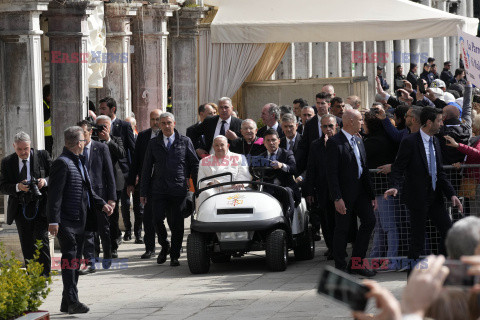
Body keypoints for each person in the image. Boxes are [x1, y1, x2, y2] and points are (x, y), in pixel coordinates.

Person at [47, 126, 113, 314]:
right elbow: (54, 195)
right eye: (84, 141)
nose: (85, 144)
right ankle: (73, 301)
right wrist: (53, 221)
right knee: (70, 261)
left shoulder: (78, 162)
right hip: (67, 222)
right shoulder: (62, 163)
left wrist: (102, 204)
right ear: (78, 143)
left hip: (81, 221)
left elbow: (87, 190)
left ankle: (66, 302)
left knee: (74, 261)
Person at [385, 107, 463, 264]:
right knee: (417, 240)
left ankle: (442, 267)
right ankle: (412, 277)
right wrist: (395, 186)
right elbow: (399, 167)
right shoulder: (409, 141)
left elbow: (439, 172)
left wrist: (452, 194)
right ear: (429, 123)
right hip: (417, 198)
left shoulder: (435, 140)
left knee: (448, 231)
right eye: (439, 121)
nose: (442, 124)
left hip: (435, 197)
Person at [140, 112, 199, 267]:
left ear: (174, 124)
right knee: (157, 219)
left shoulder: (184, 141)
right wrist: (143, 192)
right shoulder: (154, 143)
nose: (166, 126)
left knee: (177, 223)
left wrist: (196, 187)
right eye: (163, 123)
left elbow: (194, 164)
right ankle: (164, 245)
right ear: (159, 125)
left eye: (169, 123)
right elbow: (146, 168)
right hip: (158, 189)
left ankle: (174, 255)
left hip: (178, 189)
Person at [326, 109, 377, 276]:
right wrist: (337, 197)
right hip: (344, 194)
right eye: (360, 120)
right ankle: (340, 266)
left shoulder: (360, 141)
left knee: (369, 221)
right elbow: (331, 173)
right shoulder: (335, 142)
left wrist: (371, 195)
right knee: (342, 229)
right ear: (349, 122)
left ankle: (357, 263)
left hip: (361, 192)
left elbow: (364, 169)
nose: (362, 123)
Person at [0, 132, 51, 277]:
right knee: (27, 243)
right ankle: (32, 276)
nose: (23, 153)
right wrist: (17, 187)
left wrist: (44, 181)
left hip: (40, 205)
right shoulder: (7, 162)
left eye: (26, 149)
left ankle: (45, 276)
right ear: (14, 147)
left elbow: (56, 175)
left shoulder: (42, 156)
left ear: (30, 146)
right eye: (19, 149)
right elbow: (2, 186)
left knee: (41, 241)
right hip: (20, 207)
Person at [76, 120, 116, 274]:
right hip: (82, 196)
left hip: (100, 194)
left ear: (90, 132)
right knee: (87, 230)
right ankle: (90, 261)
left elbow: (109, 174)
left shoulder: (101, 148)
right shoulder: (75, 149)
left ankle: (107, 255)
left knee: (104, 229)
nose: (81, 137)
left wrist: (111, 197)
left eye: (83, 133)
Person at [362, 112, 398, 266]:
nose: (362, 125)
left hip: (382, 190)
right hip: (378, 190)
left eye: (364, 123)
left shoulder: (374, 142)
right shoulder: (377, 140)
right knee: (380, 226)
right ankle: (378, 257)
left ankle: (391, 260)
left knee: (387, 226)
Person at [98, 97, 136, 243]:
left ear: (112, 109)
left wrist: (133, 174)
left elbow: (130, 151)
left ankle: (126, 232)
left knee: (123, 204)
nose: (100, 111)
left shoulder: (124, 126)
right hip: (101, 175)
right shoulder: (96, 127)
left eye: (103, 109)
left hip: (120, 172)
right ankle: (114, 236)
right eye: (100, 109)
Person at [127, 109, 162, 259]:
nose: (155, 122)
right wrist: (131, 181)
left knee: (165, 218)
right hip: (147, 182)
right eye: (153, 119)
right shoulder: (143, 136)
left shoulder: (168, 135)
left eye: (158, 119)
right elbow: (135, 161)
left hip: (164, 183)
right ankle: (150, 248)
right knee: (147, 216)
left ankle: (171, 246)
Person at [304, 114, 338, 256]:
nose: (328, 129)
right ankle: (332, 248)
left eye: (330, 126)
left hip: (340, 189)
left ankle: (340, 248)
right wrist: (309, 191)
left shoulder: (341, 142)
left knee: (340, 221)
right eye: (324, 126)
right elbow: (311, 168)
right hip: (323, 188)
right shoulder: (316, 145)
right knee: (326, 220)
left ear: (336, 126)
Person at [95, 115, 125, 258]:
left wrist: (108, 139)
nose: (102, 129)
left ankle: (113, 246)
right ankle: (95, 248)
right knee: (95, 218)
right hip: (95, 184)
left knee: (112, 217)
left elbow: (121, 154)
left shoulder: (115, 139)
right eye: (99, 126)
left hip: (112, 183)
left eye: (105, 126)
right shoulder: (92, 140)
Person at [197, 136, 251, 207]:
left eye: (222, 145)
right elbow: (200, 180)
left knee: (240, 194)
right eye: (216, 145)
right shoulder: (203, 161)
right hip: (213, 190)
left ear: (228, 145)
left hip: (233, 188)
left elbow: (245, 175)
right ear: (213, 146)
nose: (219, 148)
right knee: (205, 194)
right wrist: (209, 183)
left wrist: (239, 183)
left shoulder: (240, 158)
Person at [257, 128, 300, 220]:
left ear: (279, 141)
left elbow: (293, 169)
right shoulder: (260, 157)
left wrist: (282, 165)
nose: (271, 143)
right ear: (264, 143)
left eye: (273, 140)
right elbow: (255, 173)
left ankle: (288, 221)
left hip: (285, 186)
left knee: (287, 191)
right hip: (268, 188)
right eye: (268, 140)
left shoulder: (287, 153)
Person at [43, 84, 53, 155]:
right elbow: (45, 117)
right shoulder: (43, 104)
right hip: (45, 135)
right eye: (50, 95)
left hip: (50, 134)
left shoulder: (48, 103)